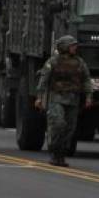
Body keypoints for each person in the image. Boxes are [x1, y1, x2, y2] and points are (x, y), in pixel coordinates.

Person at [35, 35, 93, 167]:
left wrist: (89, 97)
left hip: (73, 100)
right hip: (57, 99)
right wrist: (39, 97)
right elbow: (43, 80)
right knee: (59, 124)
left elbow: (86, 80)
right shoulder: (53, 61)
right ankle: (54, 151)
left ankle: (61, 155)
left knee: (70, 129)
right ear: (65, 47)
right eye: (72, 45)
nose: (75, 48)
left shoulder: (80, 62)